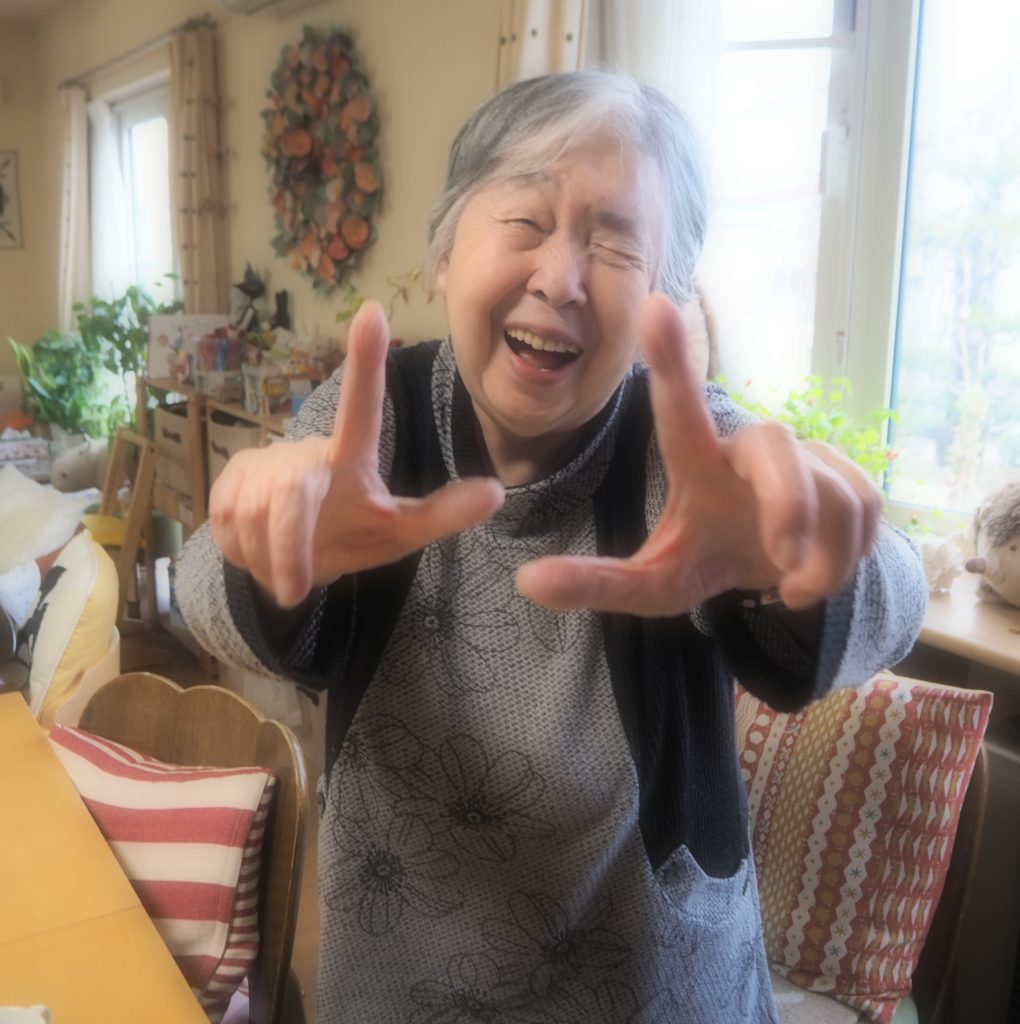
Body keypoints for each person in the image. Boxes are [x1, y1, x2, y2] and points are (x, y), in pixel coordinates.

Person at [176, 71, 927, 1022]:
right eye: (525, 221)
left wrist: (809, 563)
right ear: (444, 253)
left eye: (616, 244)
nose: (560, 278)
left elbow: (896, 601)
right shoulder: (374, 419)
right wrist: (264, 554)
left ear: (663, 299)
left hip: (657, 987)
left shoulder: (688, 445)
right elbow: (203, 590)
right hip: (403, 986)